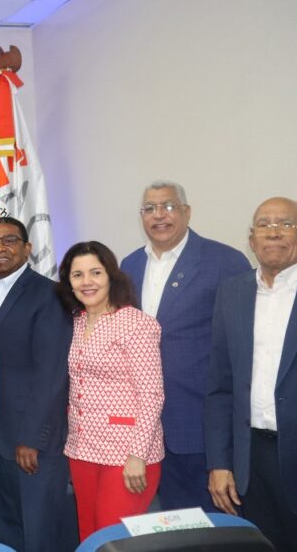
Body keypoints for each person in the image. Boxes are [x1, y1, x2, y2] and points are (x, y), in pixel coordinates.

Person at [121, 181, 249, 511]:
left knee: (211, 528)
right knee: (163, 526)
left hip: (200, 427)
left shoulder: (225, 262)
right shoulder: (129, 266)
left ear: (186, 212)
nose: (158, 215)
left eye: (168, 206)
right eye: (149, 208)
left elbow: (242, 349)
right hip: (144, 431)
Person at [0, 217, 74, 552]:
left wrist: (32, 438)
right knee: (4, 531)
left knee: (38, 533)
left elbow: (51, 374)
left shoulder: (49, 294)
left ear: (27, 248)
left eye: (9, 240)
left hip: (30, 443)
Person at [56, 241, 164, 542]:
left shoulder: (136, 324)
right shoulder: (76, 322)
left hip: (127, 453)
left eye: (95, 272)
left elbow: (151, 395)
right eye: (77, 275)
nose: (87, 282)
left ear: (111, 276)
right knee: (89, 536)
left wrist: (137, 456)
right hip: (82, 448)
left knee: (112, 538)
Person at [206, 197, 297, 551]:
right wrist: (219, 463)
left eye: (285, 224)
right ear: (251, 238)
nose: (273, 232)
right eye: (264, 224)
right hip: (251, 459)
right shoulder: (232, 292)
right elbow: (220, 387)